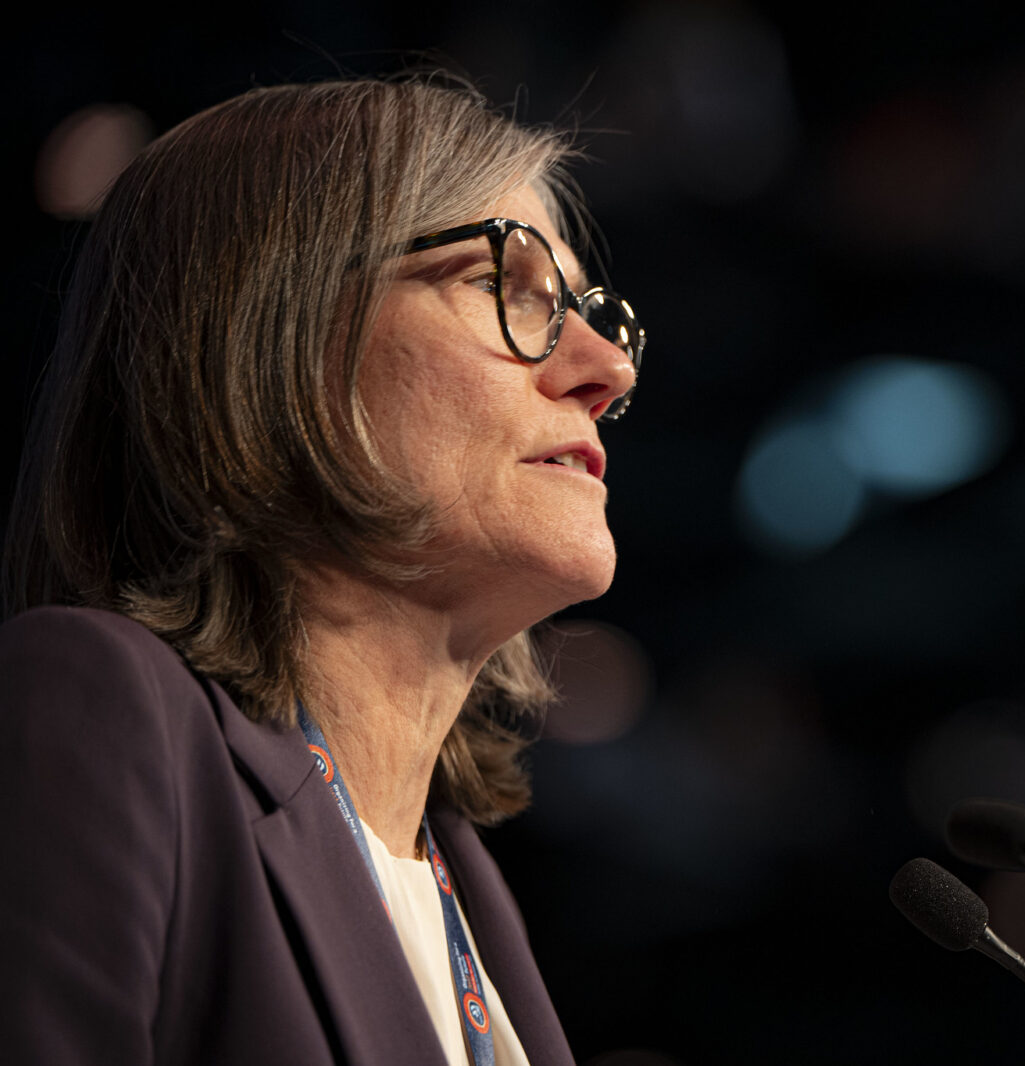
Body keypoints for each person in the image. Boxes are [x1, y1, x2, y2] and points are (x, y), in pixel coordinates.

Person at [0, 76, 643, 1065]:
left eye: (587, 309)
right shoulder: (99, 710)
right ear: (273, 331)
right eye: (500, 286)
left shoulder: (467, 890)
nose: (607, 368)